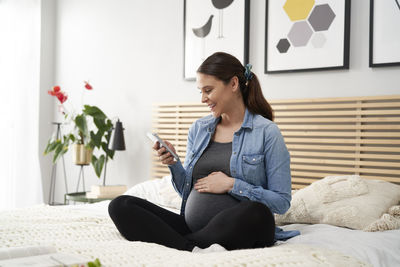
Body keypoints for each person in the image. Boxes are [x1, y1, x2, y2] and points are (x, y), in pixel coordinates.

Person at [108, 52, 299, 252]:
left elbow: (281, 202)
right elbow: (187, 192)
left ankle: (180, 243)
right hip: (193, 227)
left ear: (233, 84)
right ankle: (190, 246)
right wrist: (174, 165)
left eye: (208, 90)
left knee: (257, 213)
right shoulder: (199, 129)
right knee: (121, 205)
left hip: (243, 226)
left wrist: (231, 184)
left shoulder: (267, 132)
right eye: (200, 91)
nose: (203, 99)